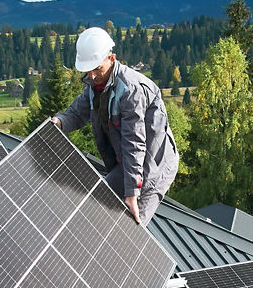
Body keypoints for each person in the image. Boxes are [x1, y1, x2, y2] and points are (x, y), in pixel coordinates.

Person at [51, 26, 178, 225]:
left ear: (111, 59)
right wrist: (58, 122)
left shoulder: (131, 90)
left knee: (131, 226)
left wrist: (132, 193)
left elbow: (134, 143)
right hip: (127, 164)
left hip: (152, 166)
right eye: (87, 71)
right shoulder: (95, 86)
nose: (92, 76)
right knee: (96, 205)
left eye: (96, 69)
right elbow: (76, 113)